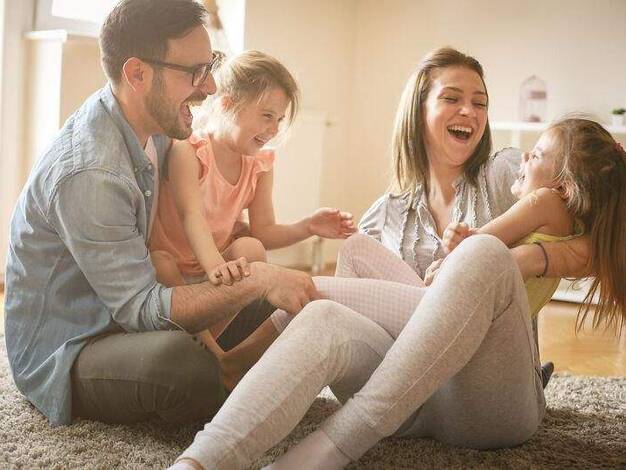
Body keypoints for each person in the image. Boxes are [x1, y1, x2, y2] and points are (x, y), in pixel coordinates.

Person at [171, 47, 595, 469]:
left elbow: (603, 240)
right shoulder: (383, 215)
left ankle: (311, 426)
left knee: (481, 252)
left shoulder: (508, 173)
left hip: (489, 401)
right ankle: (198, 461)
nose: (469, 111)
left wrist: (529, 259)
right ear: (418, 111)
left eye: (479, 103)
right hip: (408, 401)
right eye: (452, 98)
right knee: (328, 306)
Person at [4, 0, 318, 428]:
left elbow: (198, 210)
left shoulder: (157, 130)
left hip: (126, 312)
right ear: (138, 74)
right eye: (195, 72)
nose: (210, 87)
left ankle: (228, 371)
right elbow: (140, 307)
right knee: (181, 365)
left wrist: (248, 263)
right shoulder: (92, 174)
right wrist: (257, 279)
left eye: (211, 66)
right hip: (77, 343)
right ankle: (223, 375)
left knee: (275, 305)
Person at [148, 50, 355, 360]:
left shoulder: (259, 164)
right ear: (227, 104)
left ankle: (215, 344)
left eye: (279, 120)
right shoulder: (188, 151)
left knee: (252, 248)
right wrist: (217, 268)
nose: (274, 129)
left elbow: (264, 231)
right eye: (267, 116)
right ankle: (214, 356)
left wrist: (309, 226)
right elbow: (192, 216)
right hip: (174, 273)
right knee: (159, 261)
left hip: (215, 268)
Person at [442, 118, 625, 327]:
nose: (525, 156)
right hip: (495, 329)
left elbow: (476, 246)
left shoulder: (546, 201)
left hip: (462, 316)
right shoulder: (577, 226)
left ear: (563, 188)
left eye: (536, 155)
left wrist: (455, 238)